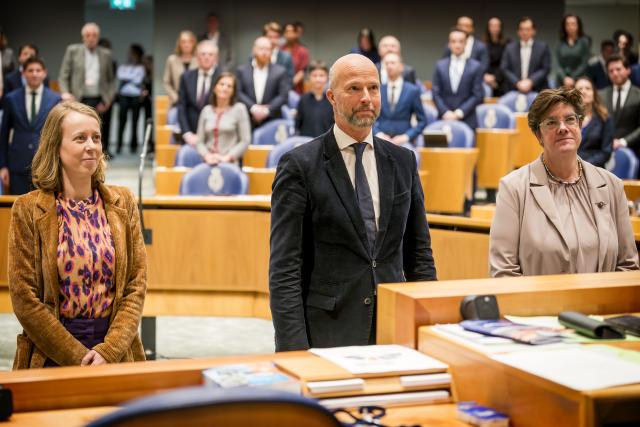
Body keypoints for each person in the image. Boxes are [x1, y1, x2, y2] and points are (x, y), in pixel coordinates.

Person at [269, 54, 437, 351]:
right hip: (328, 331)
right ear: (331, 97)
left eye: (373, 88)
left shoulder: (402, 161)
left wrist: (427, 326)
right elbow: (285, 267)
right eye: (354, 89)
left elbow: (419, 254)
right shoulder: (299, 165)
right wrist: (293, 349)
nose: (366, 98)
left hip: (393, 328)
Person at [8, 101, 147, 369]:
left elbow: (136, 285)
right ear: (55, 147)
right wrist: (76, 356)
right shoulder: (27, 209)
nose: (91, 146)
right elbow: (25, 298)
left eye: (96, 137)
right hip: (52, 351)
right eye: (80, 138)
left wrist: (110, 349)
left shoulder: (124, 201)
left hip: (115, 351)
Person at [489, 87, 639, 277]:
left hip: (603, 306)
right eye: (551, 122)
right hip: (541, 306)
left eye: (570, 119)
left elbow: (628, 266)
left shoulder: (612, 186)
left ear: (579, 125)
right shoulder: (513, 189)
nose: (563, 127)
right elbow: (503, 273)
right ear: (538, 135)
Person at [0, 57, 61, 195]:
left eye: (38, 70)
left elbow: (58, 135)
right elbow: (3, 135)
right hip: (17, 165)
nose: (34, 74)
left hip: (45, 164)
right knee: (18, 208)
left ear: (44, 73)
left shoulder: (55, 99)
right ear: (23, 74)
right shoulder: (11, 98)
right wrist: (3, 166)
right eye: (30, 70)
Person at [58, 23, 116, 156]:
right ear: (83, 37)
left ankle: (103, 151)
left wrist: (108, 99)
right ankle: (80, 151)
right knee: (79, 127)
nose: (91, 38)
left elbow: (111, 80)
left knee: (102, 126)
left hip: (99, 96)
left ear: (98, 37)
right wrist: (65, 93)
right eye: (88, 35)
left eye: (94, 35)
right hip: (79, 97)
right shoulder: (73, 50)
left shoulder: (106, 54)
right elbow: (63, 75)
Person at [177, 72, 251, 166]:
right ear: (215, 87)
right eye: (222, 84)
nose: (225, 88)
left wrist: (227, 157)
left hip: (229, 163)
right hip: (207, 162)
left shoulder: (240, 109)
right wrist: (207, 156)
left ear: (233, 91)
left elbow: (245, 141)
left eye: (229, 86)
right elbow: (200, 141)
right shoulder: (206, 110)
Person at [432, 28, 484, 129]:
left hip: (467, 119)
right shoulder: (440, 65)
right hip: (444, 118)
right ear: (449, 44)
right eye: (454, 41)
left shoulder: (476, 66)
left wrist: (459, 113)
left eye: (461, 41)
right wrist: (446, 112)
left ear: (466, 44)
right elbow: (436, 93)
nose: (457, 45)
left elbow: (477, 95)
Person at [236, 37, 290, 128]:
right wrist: (254, 108)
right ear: (254, 50)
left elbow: (283, 96)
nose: (264, 52)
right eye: (261, 48)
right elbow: (238, 92)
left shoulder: (280, 71)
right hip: (247, 118)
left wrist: (266, 111)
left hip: (272, 119)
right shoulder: (242, 70)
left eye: (268, 49)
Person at [373, 53, 426, 144]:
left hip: (403, 141)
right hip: (380, 140)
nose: (389, 66)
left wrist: (407, 136)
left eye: (392, 63)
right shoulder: (378, 90)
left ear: (401, 67)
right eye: (386, 63)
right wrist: (378, 134)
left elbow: (422, 121)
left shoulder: (412, 90)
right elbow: (371, 118)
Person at [177, 40, 221, 146]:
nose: (206, 57)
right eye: (203, 54)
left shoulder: (223, 78)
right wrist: (187, 134)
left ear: (216, 58)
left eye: (210, 54)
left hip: (216, 137)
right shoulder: (186, 77)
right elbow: (182, 107)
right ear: (197, 57)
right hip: (190, 135)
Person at [600, 54, 640, 160]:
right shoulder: (601, 95)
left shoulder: (638, 95)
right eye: (611, 71)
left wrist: (623, 142)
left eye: (618, 69)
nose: (615, 73)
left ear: (628, 70)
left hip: (633, 150)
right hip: (604, 151)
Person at [501, 17, 551, 93]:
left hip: (537, 90)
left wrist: (531, 81)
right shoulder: (509, 48)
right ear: (518, 32)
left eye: (528, 29)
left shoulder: (542, 47)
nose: (525, 32)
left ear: (533, 31)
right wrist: (517, 83)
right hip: (514, 89)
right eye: (522, 29)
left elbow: (545, 68)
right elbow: (504, 68)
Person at [575, 77, 613, 167]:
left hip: (594, 169)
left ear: (594, 93)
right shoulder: (569, 119)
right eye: (580, 89)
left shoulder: (605, 118)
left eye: (588, 88)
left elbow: (606, 152)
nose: (584, 91)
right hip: (569, 168)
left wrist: (583, 166)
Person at [116, 44, 145, 154]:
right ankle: (119, 145)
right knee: (122, 121)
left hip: (135, 97)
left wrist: (127, 79)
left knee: (135, 122)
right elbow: (120, 76)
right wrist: (132, 78)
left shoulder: (140, 67)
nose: (130, 55)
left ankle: (134, 146)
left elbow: (138, 80)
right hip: (124, 96)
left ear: (137, 54)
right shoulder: (123, 66)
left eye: (132, 53)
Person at [295, 60, 334, 137]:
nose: (318, 79)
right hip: (307, 143)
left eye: (321, 75)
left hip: (327, 143)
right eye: (314, 75)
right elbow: (298, 126)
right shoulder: (303, 100)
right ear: (309, 77)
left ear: (327, 77)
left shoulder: (333, 100)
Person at [162, 31, 198, 106]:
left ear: (193, 43)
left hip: (195, 102)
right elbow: (166, 82)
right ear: (179, 44)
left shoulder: (199, 60)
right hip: (176, 101)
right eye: (183, 42)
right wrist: (176, 97)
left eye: (189, 41)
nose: (186, 45)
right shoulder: (172, 60)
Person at [555, 14, 590, 88]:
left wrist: (573, 78)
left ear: (578, 26)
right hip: (562, 80)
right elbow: (557, 63)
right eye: (567, 24)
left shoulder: (584, 41)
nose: (570, 27)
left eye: (573, 24)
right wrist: (564, 78)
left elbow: (584, 63)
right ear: (564, 26)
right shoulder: (560, 42)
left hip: (579, 80)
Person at [483, 17, 509, 96]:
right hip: (485, 78)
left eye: (497, 25)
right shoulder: (482, 44)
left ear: (500, 28)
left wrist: (495, 79)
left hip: (502, 78)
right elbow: (480, 63)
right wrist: (485, 76)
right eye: (492, 25)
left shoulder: (507, 44)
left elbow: (506, 63)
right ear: (488, 28)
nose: (494, 28)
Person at [282, 23, 309, 94]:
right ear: (284, 33)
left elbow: (302, 71)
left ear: (296, 33)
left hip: (296, 89)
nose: (289, 34)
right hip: (279, 88)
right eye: (287, 31)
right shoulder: (280, 50)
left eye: (292, 31)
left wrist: (289, 85)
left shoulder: (302, 50)